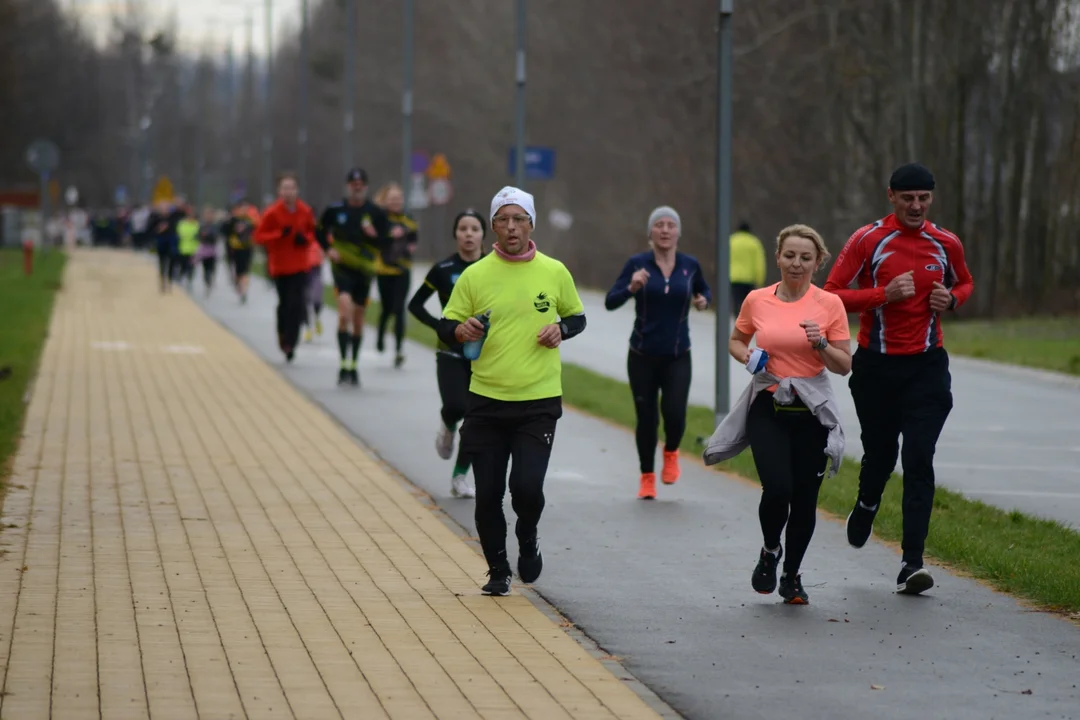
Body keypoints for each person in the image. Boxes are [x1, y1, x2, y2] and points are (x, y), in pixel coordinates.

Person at [824, 162, 974, 596]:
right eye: (907, 198)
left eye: (923, 198)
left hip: (927, 366)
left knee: (919, 460)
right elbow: (831, 294)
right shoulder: (868, 239)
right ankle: (867, 502)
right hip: (877, 365)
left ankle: (912, 562)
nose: (916, 205)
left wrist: (954, 298)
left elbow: (965, 282)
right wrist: (880, 296)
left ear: (931, 198)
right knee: (881, 454)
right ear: (891, 196)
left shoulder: (945, 242)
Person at [436, 186, 587, 597]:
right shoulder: (475, 275)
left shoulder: (554, 271)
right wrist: (459, 330)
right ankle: (498, 570)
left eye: (519, 219)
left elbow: (577, 316)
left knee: (526, 488)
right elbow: (447, 325)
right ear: (493, 226)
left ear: (531, 224)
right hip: (485, 400)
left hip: (538, 402)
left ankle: (528, 534)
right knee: (487, 496)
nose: (510, 227)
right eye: (502, 219)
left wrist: (562, 329)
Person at [703, 224, 851, 605]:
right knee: (778, 488)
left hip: (812, 413)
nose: (796, 264)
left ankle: (792, 576)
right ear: (778, 258)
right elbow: (736, 339)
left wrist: (819, 343)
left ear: (818, 262)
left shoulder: (830, 305)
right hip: (768, 406)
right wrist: (748, 356)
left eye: (805, 258)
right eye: (790, 256)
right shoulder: (757, 300)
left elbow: (843, 365)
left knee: (804, 499)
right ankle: (771, 551)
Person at [604, 206, 711, 500]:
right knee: (647, 418)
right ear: (650, 232)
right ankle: (647, 477)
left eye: (670, 225)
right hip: (642, 355)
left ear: (678, 232)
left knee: (675, 415)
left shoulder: (690, 265)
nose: (665, 230)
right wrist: (631, 286)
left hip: (678, 354)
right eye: (659, 225)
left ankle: (672, 450)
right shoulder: (637, 263)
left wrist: (703, 300)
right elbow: (610, 301)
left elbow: (704, 290)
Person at [408, 209, 487, 499]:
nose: (468, 234)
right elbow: (415, 305)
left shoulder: (494, 268)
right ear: (455, 234)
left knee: (475, 417)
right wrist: (440, 327)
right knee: (456, 406)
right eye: (463, 228)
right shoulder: (442, 269)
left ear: (483, 235)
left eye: (475, 229)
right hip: (450, 350)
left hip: (483, 354)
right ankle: (447, 423)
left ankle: (459, 477)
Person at [315, 168, 392, 386]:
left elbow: (386, 242)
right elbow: (319, 231)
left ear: (365, 187)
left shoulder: (375, 213)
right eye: (353, 184)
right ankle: (342, 363)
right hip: (342, 268)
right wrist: (328, 248)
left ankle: (353, 365)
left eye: (360, 184)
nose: (356, 187)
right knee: (343, 313)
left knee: (358, 319)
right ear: (347, 186)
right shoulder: (335, 210)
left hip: (365, 270)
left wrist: (374, 235)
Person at [254, 172, 318, 362]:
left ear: (297, 190)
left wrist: (304, 239)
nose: (288, 192)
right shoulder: (272, 213)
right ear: (279, 191)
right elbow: (258, 237)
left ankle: (292, 341)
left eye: (291, 188)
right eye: (285, 188)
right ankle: (283, 335)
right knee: (285, 304)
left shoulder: (304, 211)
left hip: (300, 264)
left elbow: (313, 234)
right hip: (280, 266)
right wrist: (279, 235)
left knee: (297, 304)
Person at [374, 182, 418, 368]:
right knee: (386, 308)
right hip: (384, 270)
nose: (396, 202)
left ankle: (399, 349)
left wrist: (410, 246)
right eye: (392, 199)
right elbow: (375, 239)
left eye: (398, 198)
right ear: (386, 200)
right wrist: (391, 235)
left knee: (399, 308)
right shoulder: (381, 219)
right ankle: (381, 333)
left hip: (403, 270)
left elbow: (414, 237)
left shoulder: (408, 218)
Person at [222, 201, 259, 304]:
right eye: (242, 208)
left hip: (247, 247)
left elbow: (257, 230)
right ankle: (238, 283)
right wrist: (227, 222)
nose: (244, 210)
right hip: (235, 248)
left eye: (246, 208)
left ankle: (243, 289)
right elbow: (225, 231)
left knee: (245, 270)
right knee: (238, 269)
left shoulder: (251, 220)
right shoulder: (233, 220)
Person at [730, 221, 766, 315]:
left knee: (737, 301)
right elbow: (759, 263)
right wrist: (759, 280)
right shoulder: (754, 243)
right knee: (748, 303)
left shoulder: (732, 241)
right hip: (749, 279)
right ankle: (746, 321)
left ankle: (738, 320)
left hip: (734, 277)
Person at [302, 236, 326, 343]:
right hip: (303, 269)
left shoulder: (320, 234)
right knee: (304, 300)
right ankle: (308, 328)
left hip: (316, 269)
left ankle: (317, 318)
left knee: (317, 299)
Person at [194, 206, 220, 297]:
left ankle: (211, 279)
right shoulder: (202, 225)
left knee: (211, 267)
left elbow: (217, 236)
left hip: (212, 249)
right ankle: (207, 283)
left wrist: (209, 235)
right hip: (204, 249)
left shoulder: (216, 225)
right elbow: (197, 236)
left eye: (210, 214)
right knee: (205, 269)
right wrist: (202, 236)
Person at [176, 204, 200, 291]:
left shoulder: (196, 224)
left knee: (191, 266)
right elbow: (181, 233)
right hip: (183, 248)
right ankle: (181, 277)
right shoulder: (182, 223)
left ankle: (189, 280)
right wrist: (190, 236)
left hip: (193, 249)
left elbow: (198, 235)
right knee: (183, 265)